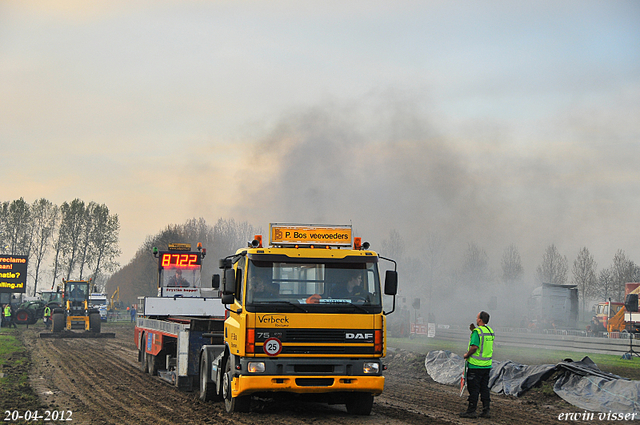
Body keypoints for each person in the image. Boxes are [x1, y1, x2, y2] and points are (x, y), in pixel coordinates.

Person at [460, 311, 494, 419]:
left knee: (473, 389)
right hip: (487, 365)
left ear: (480, 319)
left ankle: (471, 411)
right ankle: (486, 410)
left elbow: (474, 347)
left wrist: (466, 355)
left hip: (475, 365)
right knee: (484, 388)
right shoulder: (490, 331)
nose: (476, 318)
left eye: (477, 317)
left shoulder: (477, 332)